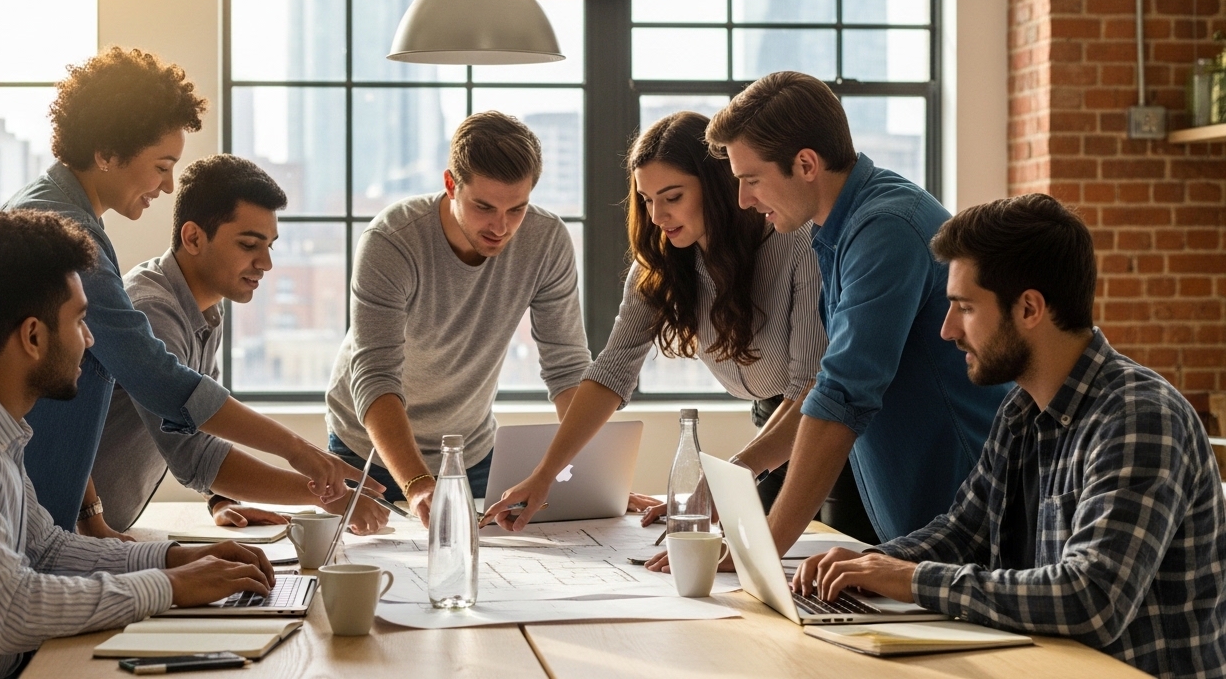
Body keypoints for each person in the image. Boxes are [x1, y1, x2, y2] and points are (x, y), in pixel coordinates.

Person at [0, 48, 365, 533]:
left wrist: (93, 518)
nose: (170, 185)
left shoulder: (51, 208)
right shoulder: (70, 234)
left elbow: (58, 396)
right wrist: (299, 453)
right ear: (107, 154)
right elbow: (156, 377)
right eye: (161, 165)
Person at [0, 211, 277, 679]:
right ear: (33, 336)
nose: (90, 339)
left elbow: (48, 551)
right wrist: (171, 586)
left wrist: (174, 557)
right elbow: (7, 612)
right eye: (79, 321)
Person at [794, 194, 1226, 679]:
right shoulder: (1021, 409)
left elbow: (1091, 599)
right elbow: (965, 531)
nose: (947, 329)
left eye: (964, 307)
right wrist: (870, 564)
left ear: (1029, 309)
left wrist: (912, 579)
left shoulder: (1140, 419)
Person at [484, 111, 852, 535]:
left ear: (716, 187)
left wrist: (725, 479)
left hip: (832, 426)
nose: (657, 215)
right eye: (646, 199)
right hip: (773, 420)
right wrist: (545, 473)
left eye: (672, 197)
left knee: (835, 568)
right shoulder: (661, 263)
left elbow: (810, 383)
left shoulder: (795, 242)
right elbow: (611, 371)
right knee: (755, 557)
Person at [705, 71, 1008, 555]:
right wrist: (739, 472)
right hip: (925, 526)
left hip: (967, 522)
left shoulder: (885, 227)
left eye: (751, 180)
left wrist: (761, 549)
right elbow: (826, 387)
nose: (743, 201)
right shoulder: (840, 228)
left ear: (806, 164)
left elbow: (843, 396)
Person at [85, 154, 387, 537]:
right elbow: (192, 454)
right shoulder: (153, 310)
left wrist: (221, 498)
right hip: (73, 533)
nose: (266, 263)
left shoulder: (207, 306)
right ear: (193, 237)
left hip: (106, 531)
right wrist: (327, 496)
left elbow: (200, 424)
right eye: (249, 245)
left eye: (270, 246)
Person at [326, 110, 591, 526]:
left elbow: (568, 367)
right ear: (451, 184)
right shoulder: (391, 241)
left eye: (517, 209)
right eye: (484, 207)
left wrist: (590, 472)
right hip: (369, 452)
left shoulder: (547, 240)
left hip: (471, 452)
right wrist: (416, 483)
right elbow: (375, 375)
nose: (500, 228)